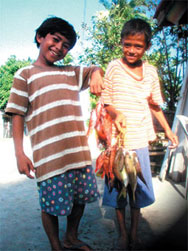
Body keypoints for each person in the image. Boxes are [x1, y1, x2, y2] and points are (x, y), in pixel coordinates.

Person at [5, 17, 104, 251]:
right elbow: (17, 114)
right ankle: (55, 245)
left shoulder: (70, 73)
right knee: (51, 205)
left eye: (66, 45)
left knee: (80, 201)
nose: (60, 48)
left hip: (78, 154)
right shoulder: (24, 74)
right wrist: (19, 153)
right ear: (40, 37)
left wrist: (98, 72)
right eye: (55, 39)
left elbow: (93, 70)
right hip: (49, 157)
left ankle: (71, 237)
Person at [101, 18, 179, 250]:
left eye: (138, 46)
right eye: (127, 44)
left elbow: (155, 105)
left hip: (140, 142)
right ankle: (122, 234)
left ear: (146, 47)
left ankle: (134, 233)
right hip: (117, 143)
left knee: (138, 191)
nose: (131, 50)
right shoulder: (114, 67)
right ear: (121, 43)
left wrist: (168, 130)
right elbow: (106, 101)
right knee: (118, 193)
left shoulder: (152, 72)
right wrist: (116, 114)